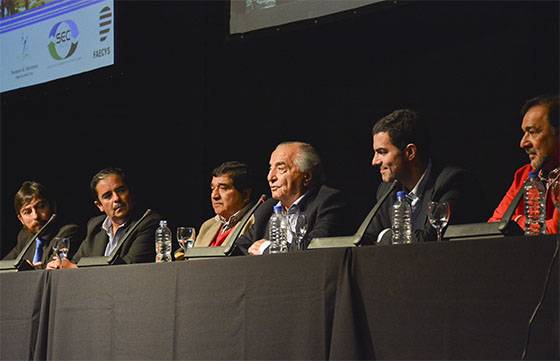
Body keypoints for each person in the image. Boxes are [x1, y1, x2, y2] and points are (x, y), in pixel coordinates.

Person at [362, 109, 485, 244]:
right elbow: (365, 239)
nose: (375, 161)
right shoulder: (387, 190)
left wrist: (385, 236)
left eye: (382, 152)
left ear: (410, 152)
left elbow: (430, 240)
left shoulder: (451, 182)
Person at [237, 141, 349, 255]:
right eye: (270, 168)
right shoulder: (267, 208)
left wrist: (267, 249)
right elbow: (239, 248)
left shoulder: (328, 201)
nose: (270, 177)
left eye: (281, 168)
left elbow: (314, 250)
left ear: (306, 177)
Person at [46, 167, 161, 269]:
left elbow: (130, 266)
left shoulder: (148, 221)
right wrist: (60, 265)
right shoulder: (95, 225)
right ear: (99, 205)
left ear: (129, 192)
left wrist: (75, 269)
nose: (116, 198)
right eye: (108, 196)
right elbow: (78, 261)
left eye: (121, 190)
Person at [489, 94, 559, 233]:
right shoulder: (524, 175)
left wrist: (517, 221)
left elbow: (556, 230)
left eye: (532, 132)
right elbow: (494, 226)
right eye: (524, 133)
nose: (523, 143)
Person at [174, 161, 256, 260]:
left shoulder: (255, 223)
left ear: (245, 194)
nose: (215, 195)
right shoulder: (208, 226)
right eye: (213, 188)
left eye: (223, 188)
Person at [2, 181, 80, 268]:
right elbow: (4, 266)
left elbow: (54, 267)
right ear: (21, 219)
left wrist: (30, 271)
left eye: (41, 207)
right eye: (27, 212)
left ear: (52, 206)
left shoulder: (67, 231)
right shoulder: (24, 237)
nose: (35, 216)